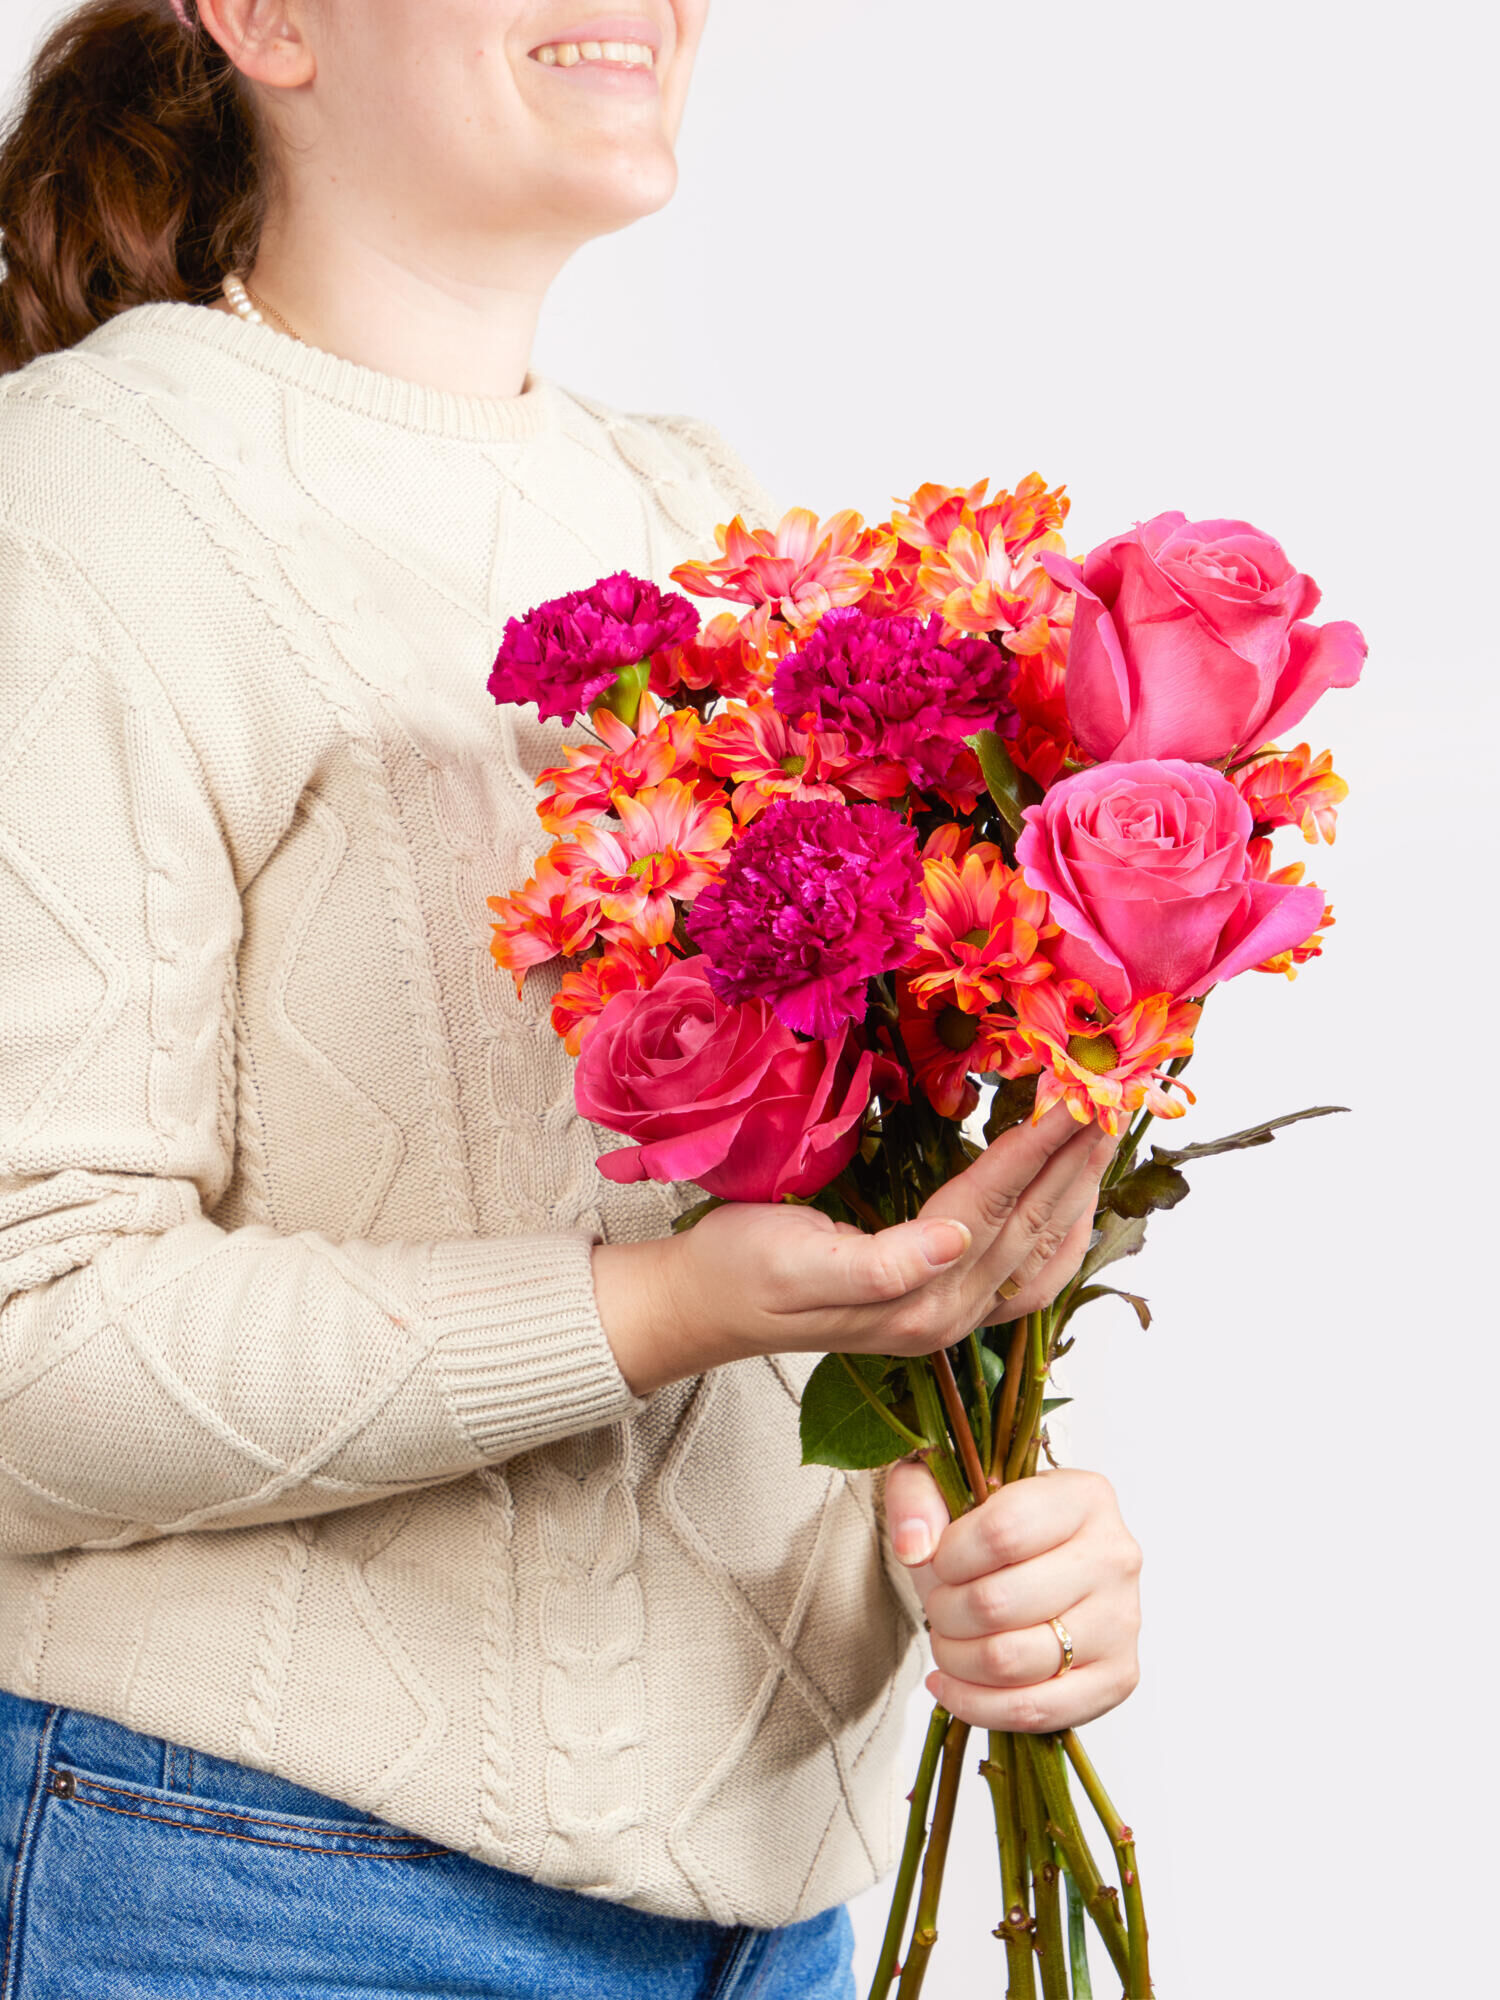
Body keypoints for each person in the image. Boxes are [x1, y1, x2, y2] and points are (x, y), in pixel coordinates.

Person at [0, 3, 1144, 1993]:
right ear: (266, 20)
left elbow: (815, 1230)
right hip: (263, 1888)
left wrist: (987, 1517)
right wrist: (659, 1311)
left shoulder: (694, 519)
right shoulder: (86, 500)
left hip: (770, 1916)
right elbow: (30, 1340)